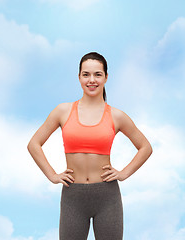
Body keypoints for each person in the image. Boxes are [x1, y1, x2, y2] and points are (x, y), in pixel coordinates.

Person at [27, 52, 153, 240]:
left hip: (107, 196)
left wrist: (124, 173)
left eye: (97, 74)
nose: (91, 80)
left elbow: (145, 147)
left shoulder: (117, 116)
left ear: (106, 77)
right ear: (79, 77)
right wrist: (52, 175)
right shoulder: (63, 111)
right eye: (86, 74)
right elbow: (34, 144)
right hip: (73, 197)